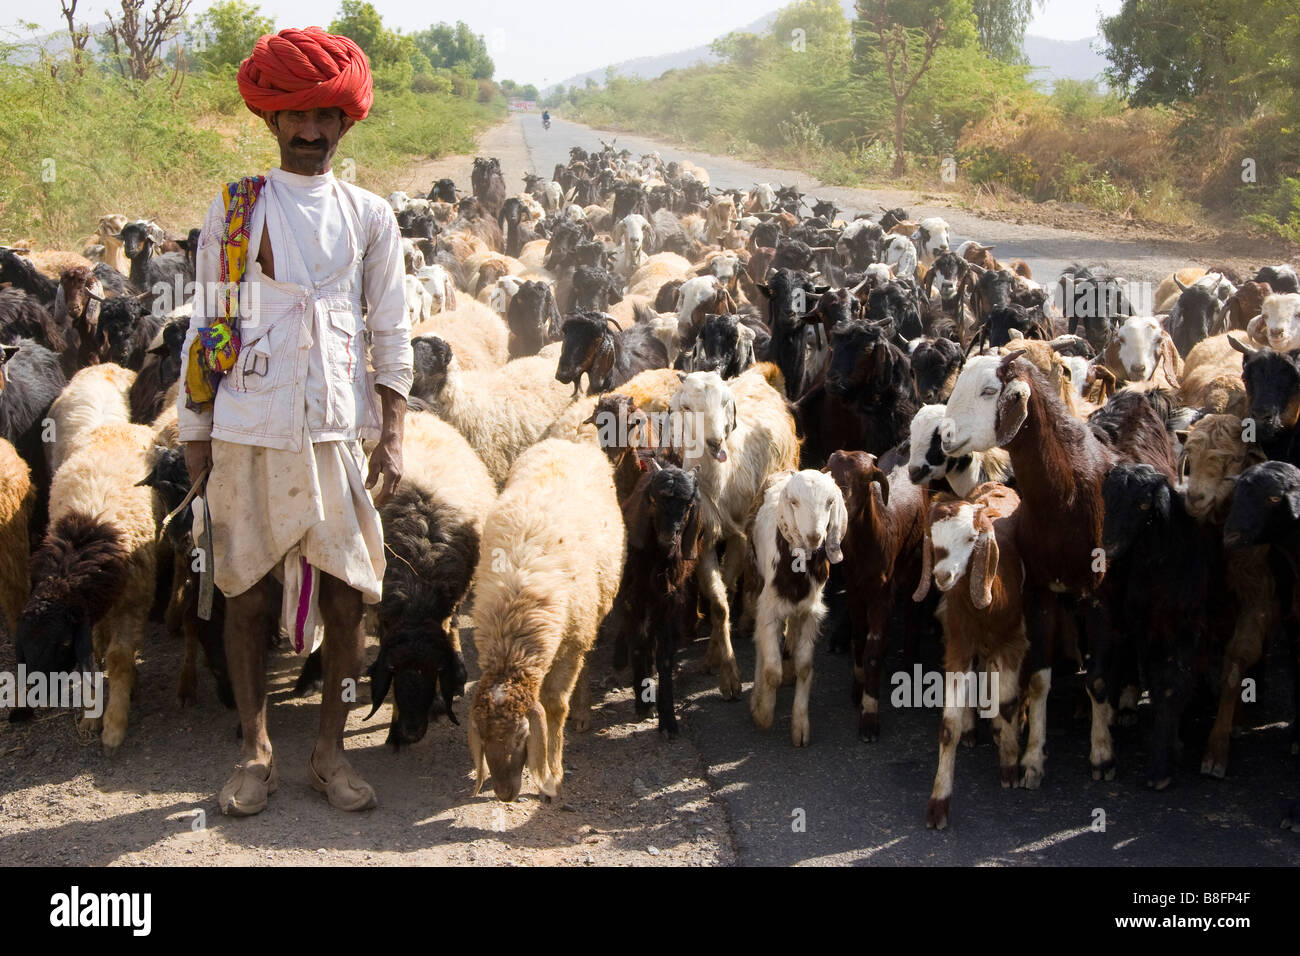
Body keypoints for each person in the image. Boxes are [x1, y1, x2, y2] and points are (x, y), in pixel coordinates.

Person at [177, 26, 413, 816]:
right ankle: (255, 752)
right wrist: (195, 434)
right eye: (296, 117)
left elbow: (391, 329)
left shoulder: (371, 215)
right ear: (272, 120)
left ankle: (329, 755)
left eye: (326, 117)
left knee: (347, 598)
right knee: (242, 594)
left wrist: (397, 428)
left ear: (346, 122)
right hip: (247, 425)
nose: (311, 132)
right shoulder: (236, 210)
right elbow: (206, 324)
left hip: (334, 431)